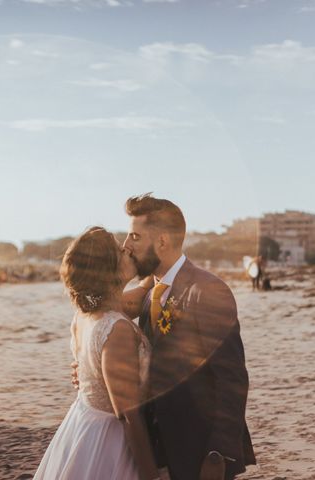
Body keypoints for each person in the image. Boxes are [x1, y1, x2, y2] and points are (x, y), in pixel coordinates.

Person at [121, 193, 256, 480]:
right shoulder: (150, 294)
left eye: (134, 236)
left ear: (162, 241)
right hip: (160, 448)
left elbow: (232, 379)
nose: (126, 245)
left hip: (200, 450)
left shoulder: (207, 290)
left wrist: (218, 454)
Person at [34, 227, 161, 480]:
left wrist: (155, 270)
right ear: (109, 270)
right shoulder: (117, 329)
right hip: (112, 440)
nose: (126, 249)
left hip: (84, 426)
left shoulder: (85, 315)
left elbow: (141, 293)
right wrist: (151, 476)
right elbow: (128, 415)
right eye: (119, 251)